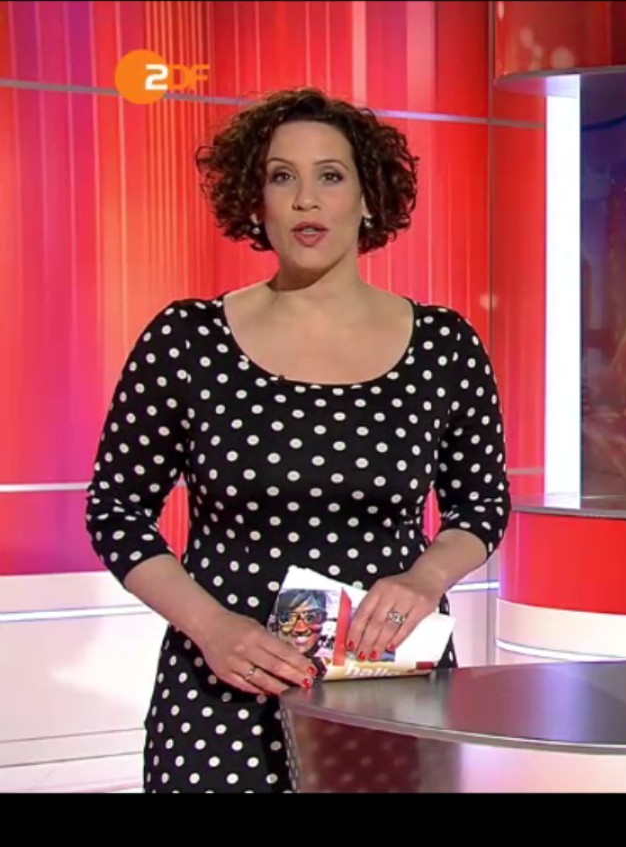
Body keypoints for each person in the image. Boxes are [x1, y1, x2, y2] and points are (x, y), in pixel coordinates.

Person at [83, 87, 511, 793]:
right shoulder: (187, 340)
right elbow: (117, 511)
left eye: (330, 176)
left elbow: (480, 506)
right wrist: (210, 628)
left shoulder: (444, 346)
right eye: (282, 177)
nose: (306, 199)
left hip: (387, 683)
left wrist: (425, 578)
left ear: (368, 198)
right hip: (222, 687)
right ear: (257, 202)